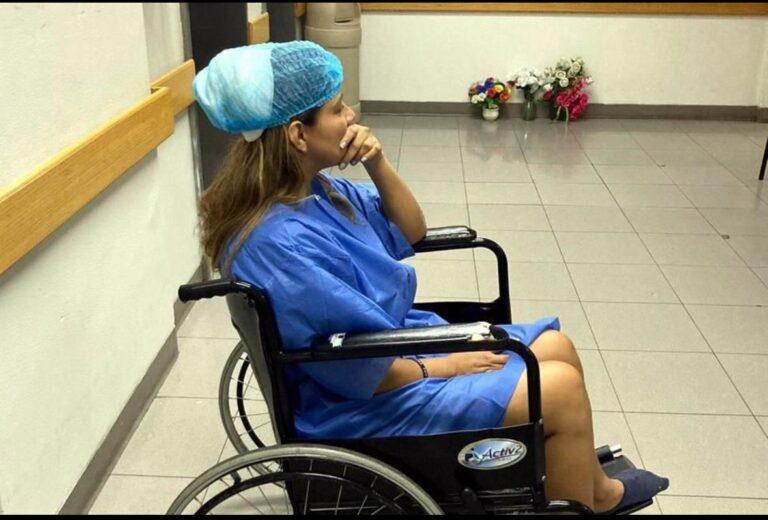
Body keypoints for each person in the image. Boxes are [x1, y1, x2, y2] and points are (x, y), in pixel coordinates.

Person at [192, 40, 668, 513]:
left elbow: (411, 229)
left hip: (389, 351)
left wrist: (377, 162)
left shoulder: (317, 190)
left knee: (556, 347)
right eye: (337, 110)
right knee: (558, 390)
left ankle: (590, 488)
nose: (351, 116)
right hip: (360, 400)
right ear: (298, 134)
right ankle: (592, 495)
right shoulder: (277, 243)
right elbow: (347, 366)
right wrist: (445, 365)